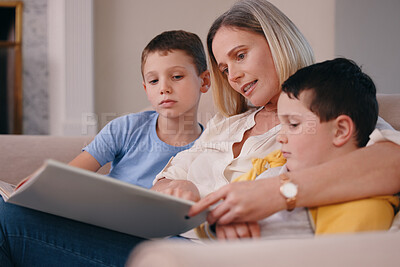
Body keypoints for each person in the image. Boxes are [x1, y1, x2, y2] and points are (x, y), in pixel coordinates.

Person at [153, 0, 400, 241]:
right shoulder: (224, 124)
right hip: (169, 234)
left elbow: (392, 163)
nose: (234, 76)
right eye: (225, 69)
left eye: (240, 56)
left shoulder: (325, 113)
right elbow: (163, 181)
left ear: (278, 42)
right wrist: (177, 188)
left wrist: (278, 192)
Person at [0, 30, 210, 266]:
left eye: (177, 76)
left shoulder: (212, 148)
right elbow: (71, 175)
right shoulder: (126, 128)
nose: (164, 88)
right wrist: (36, 186)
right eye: (154, 81)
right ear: (145, 89)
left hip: (153, 244)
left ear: (204, 81)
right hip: (100, 231)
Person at [195, 58, 399, 240]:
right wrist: (219, 224)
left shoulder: (361, 208)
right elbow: (214, 213)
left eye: (293, 124)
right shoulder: (272, 166)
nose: (280, 136)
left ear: (340, 130)